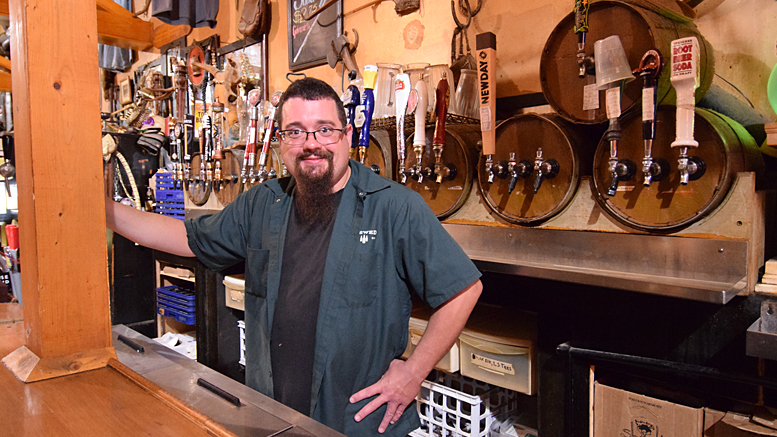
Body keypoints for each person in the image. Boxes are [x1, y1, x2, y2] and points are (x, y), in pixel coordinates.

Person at [106, 77, 482, 436]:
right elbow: (188, 238)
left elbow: (463, 290)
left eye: (325, 129)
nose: (311, 143)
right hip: (272, 413)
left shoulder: (395, 208)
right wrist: (105, 211)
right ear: (280, 142)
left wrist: (414, 371)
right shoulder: (263, 202)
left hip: (356, 420)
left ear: (347, 136)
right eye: (296, 131)